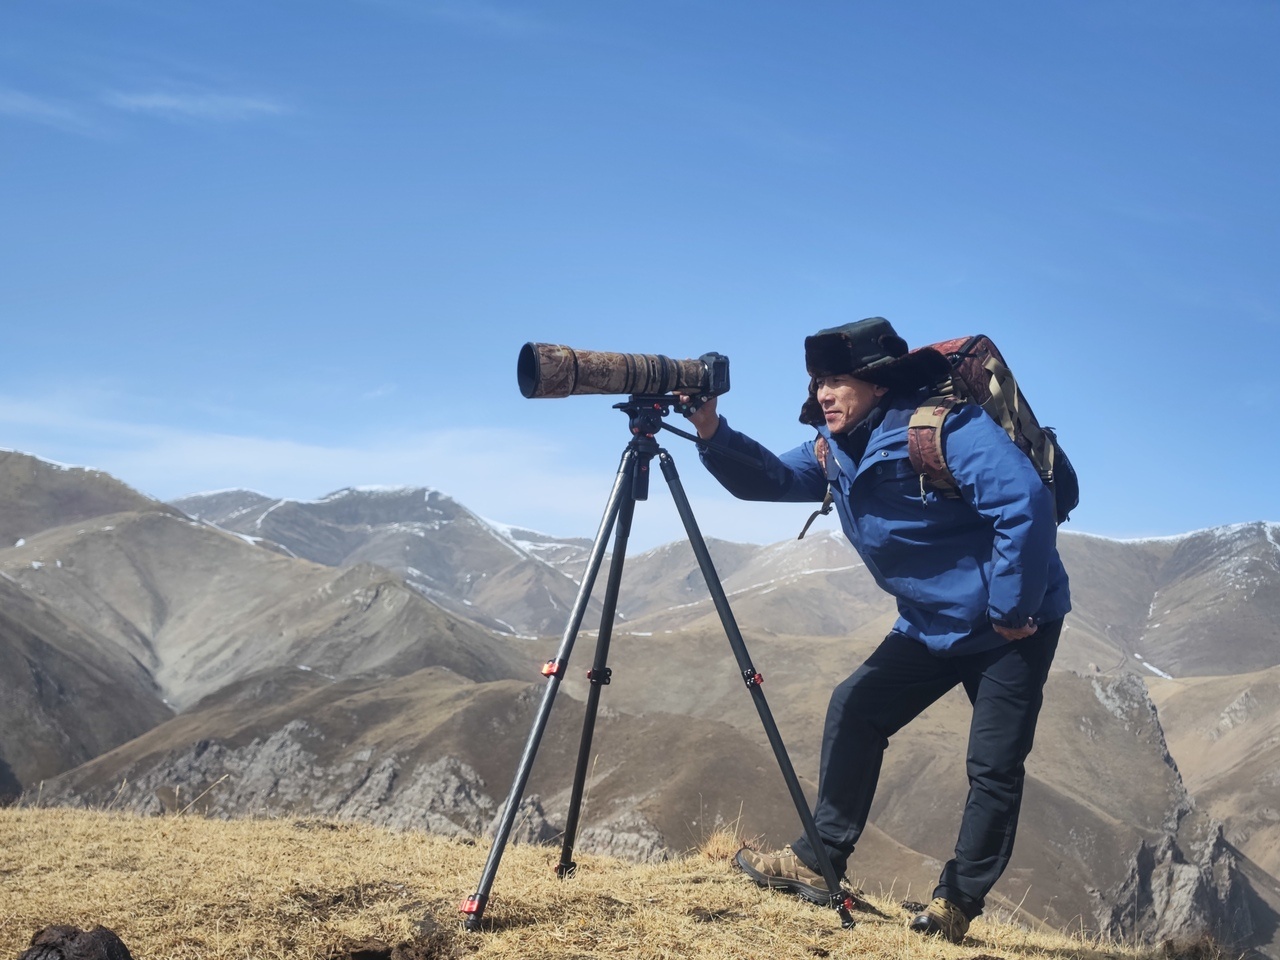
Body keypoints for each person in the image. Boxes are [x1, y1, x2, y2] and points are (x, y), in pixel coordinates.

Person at [682, 317, 1070, 943]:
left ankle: (955, 904)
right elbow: (771, 480)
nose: (823, 394)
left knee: (993, 765)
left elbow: (1024, 501)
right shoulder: (833, 449)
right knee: (856, 707)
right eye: (818, 382)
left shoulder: (944, 429)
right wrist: (710, 431)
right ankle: (820, 859)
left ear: (878, 384)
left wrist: (1011, 608)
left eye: (836, 381)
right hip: (929, 623)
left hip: (1011, 627)